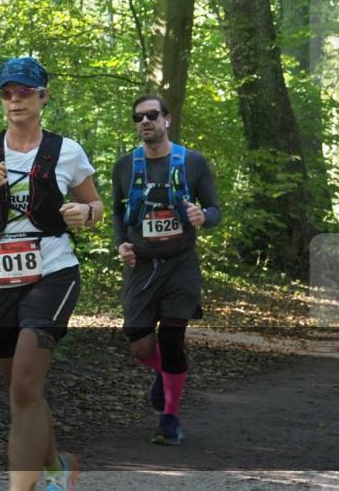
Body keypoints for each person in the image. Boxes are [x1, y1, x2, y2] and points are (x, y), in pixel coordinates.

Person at [0, 57, 103, 491]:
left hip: (52, 272)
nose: (15, 100)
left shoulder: (66, 150)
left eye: (25, 91)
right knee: (20, 389)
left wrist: (85, 213)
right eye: (7, 92)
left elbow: (97, 206)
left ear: (43, 96)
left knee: (25, 384)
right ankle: (55, 467)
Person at [113, 94, 221, 446]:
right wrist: (121, 244)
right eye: (138, 117)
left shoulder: (193, 162)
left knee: (172, 339)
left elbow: (215, 209)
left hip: (180, 265)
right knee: (141, 346)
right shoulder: (125, 166)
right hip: (141, 267)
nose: (145, 122)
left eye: (152, 115)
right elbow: (117, 211)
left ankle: (170, 418)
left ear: (167, 119)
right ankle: (165, 373)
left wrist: (202, 217)